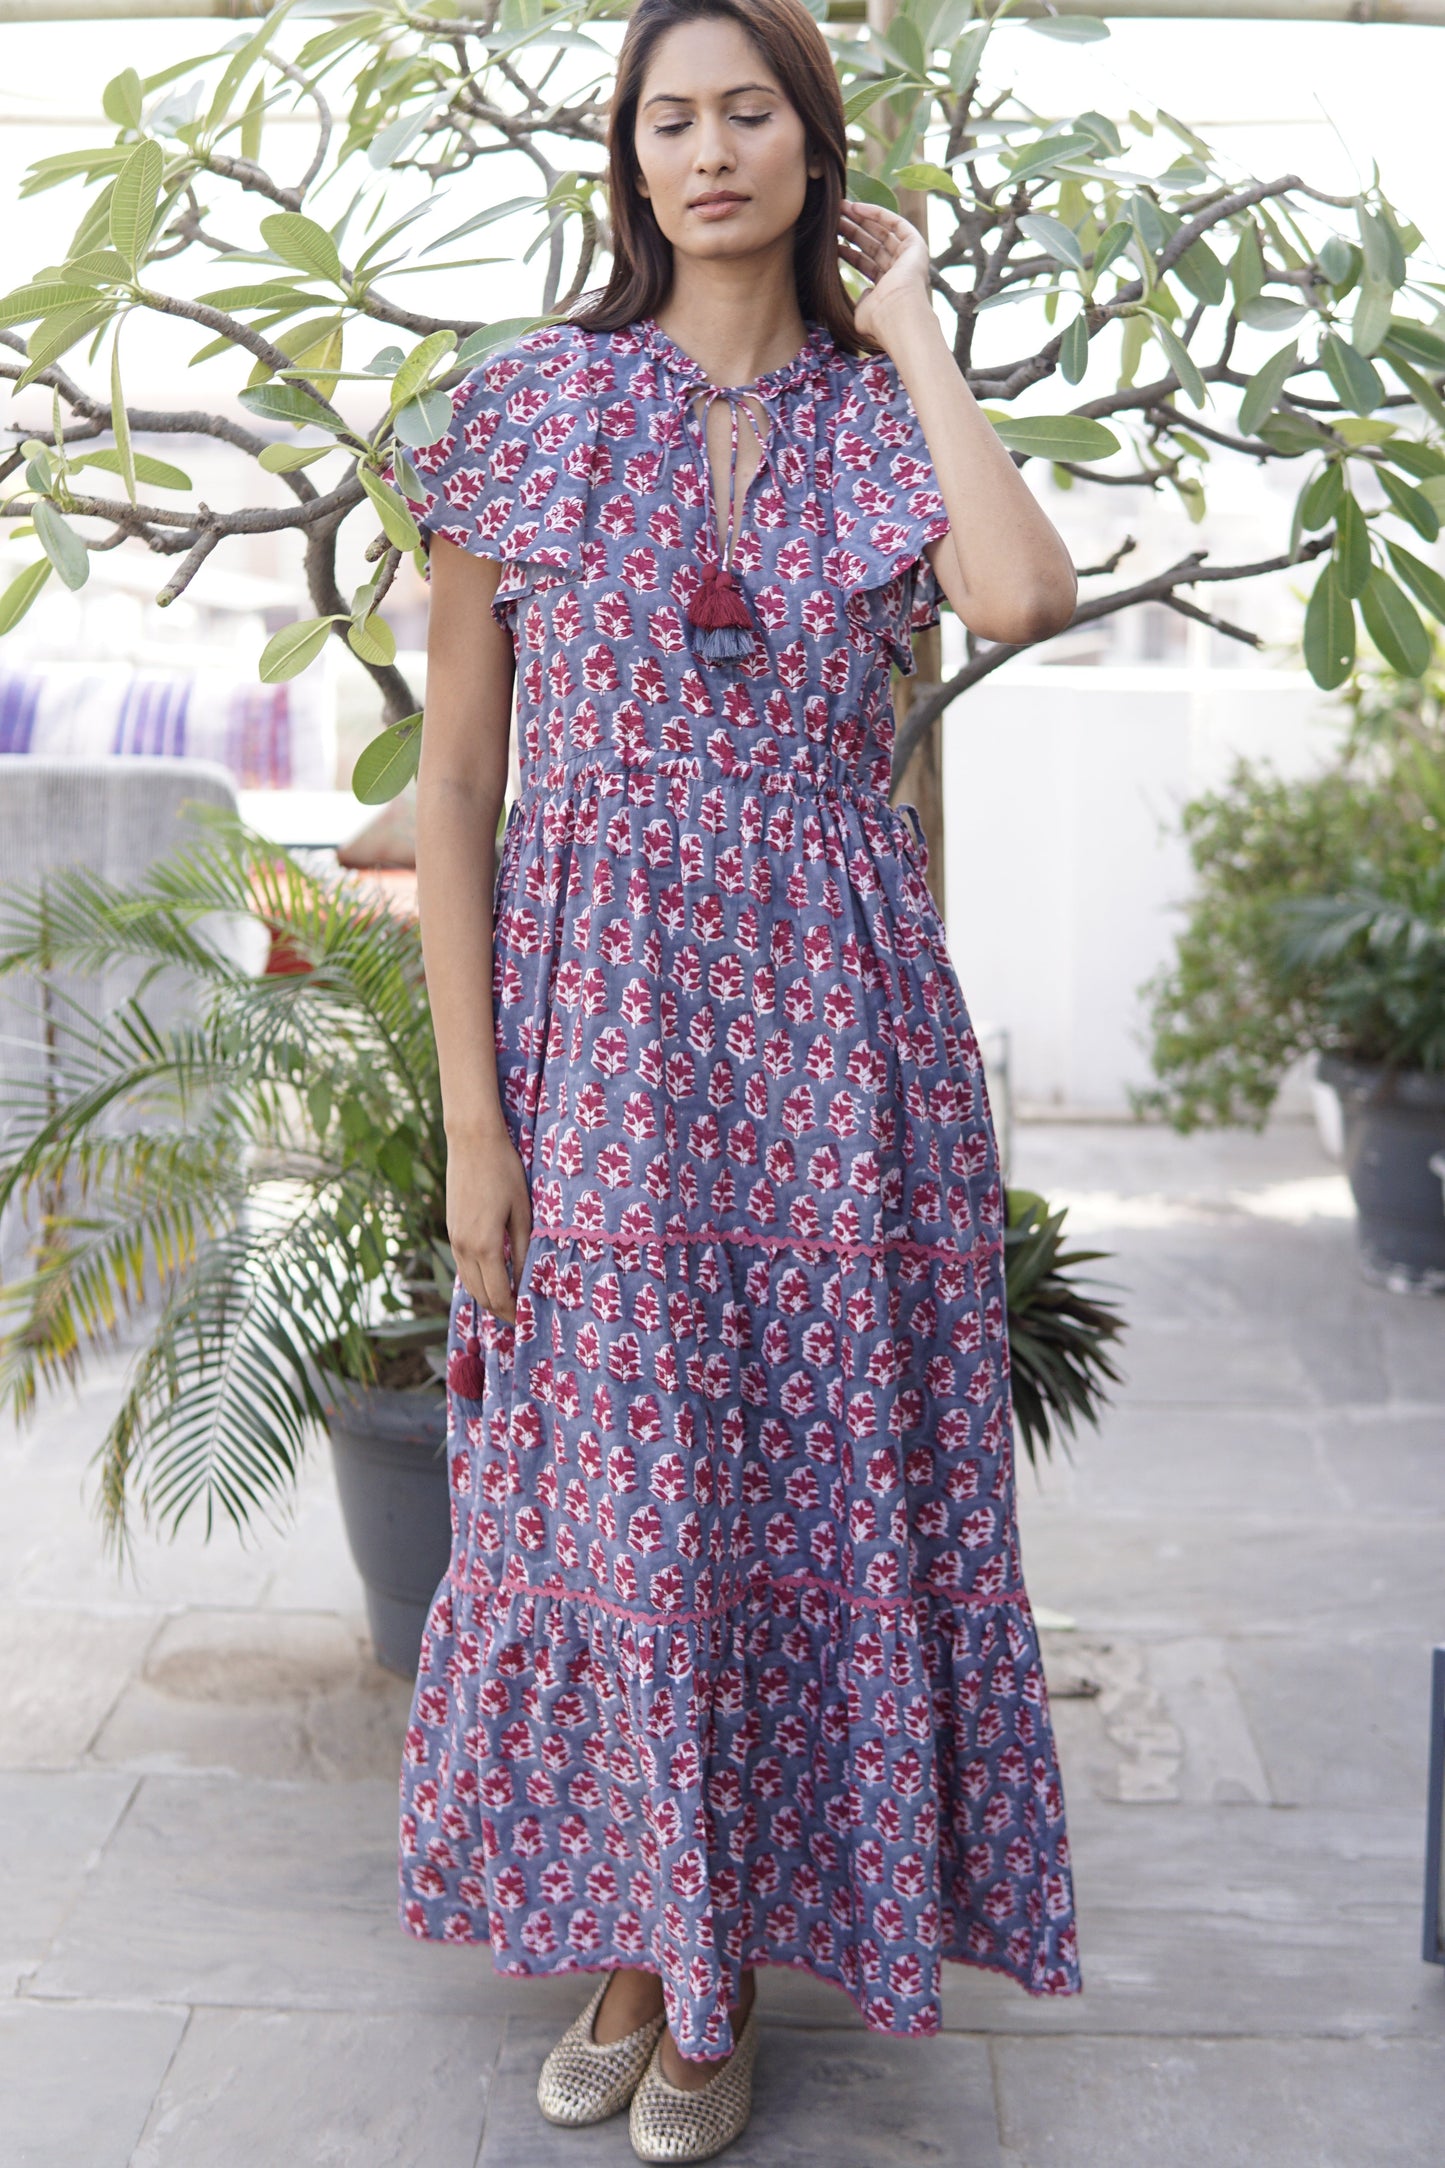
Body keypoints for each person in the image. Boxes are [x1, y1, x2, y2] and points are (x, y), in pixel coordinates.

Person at [393, 0, 1082, 2156]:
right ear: (629, 156)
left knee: (802, 1503)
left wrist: (926, 337)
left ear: (812, 146)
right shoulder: (523, 411)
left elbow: (1024, 592)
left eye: (748, 113)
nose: (708, 152)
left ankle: (720, 1986)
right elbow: (455, 790)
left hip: (838, 1054)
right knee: (615, 1510)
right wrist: (474, 1120)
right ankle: (640, 1937)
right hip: (593, 1042)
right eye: (668, 118)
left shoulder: (889, 421)